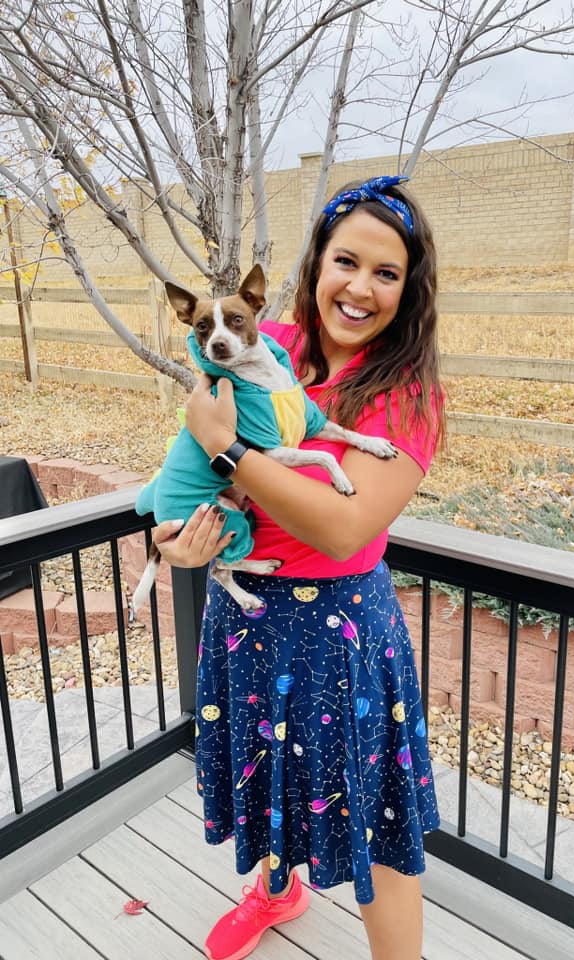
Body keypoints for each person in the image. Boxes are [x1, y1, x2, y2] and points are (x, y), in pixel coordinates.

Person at [153, 174, 446, 960]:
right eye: (345, 260)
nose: (359, 287)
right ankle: (277, 892)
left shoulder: (407, 393)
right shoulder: (258, 342)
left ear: (407, 290)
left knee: (377, 822)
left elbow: (346, 526)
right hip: (249, 613)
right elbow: (191, 465)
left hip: (340, 627)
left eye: (386, 273)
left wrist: (229, 447)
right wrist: (180, 544)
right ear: (317, 263)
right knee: (268, 778)